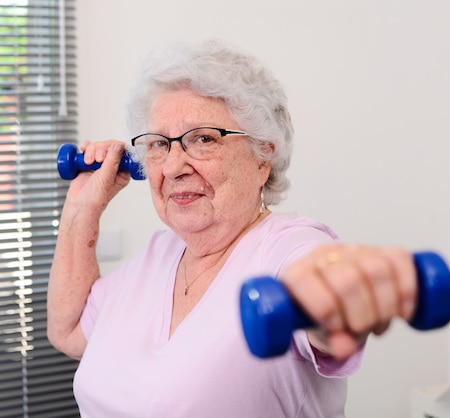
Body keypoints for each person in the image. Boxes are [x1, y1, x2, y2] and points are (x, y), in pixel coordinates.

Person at [47, 39, 417, 417]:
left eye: (203, 139)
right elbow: (69, 331)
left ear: (262, 158)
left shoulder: (287, 248)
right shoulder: (159, 253)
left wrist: (338, 300)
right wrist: (82, 206)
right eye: (160, 144)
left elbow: (321, 292)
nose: (173, 167)